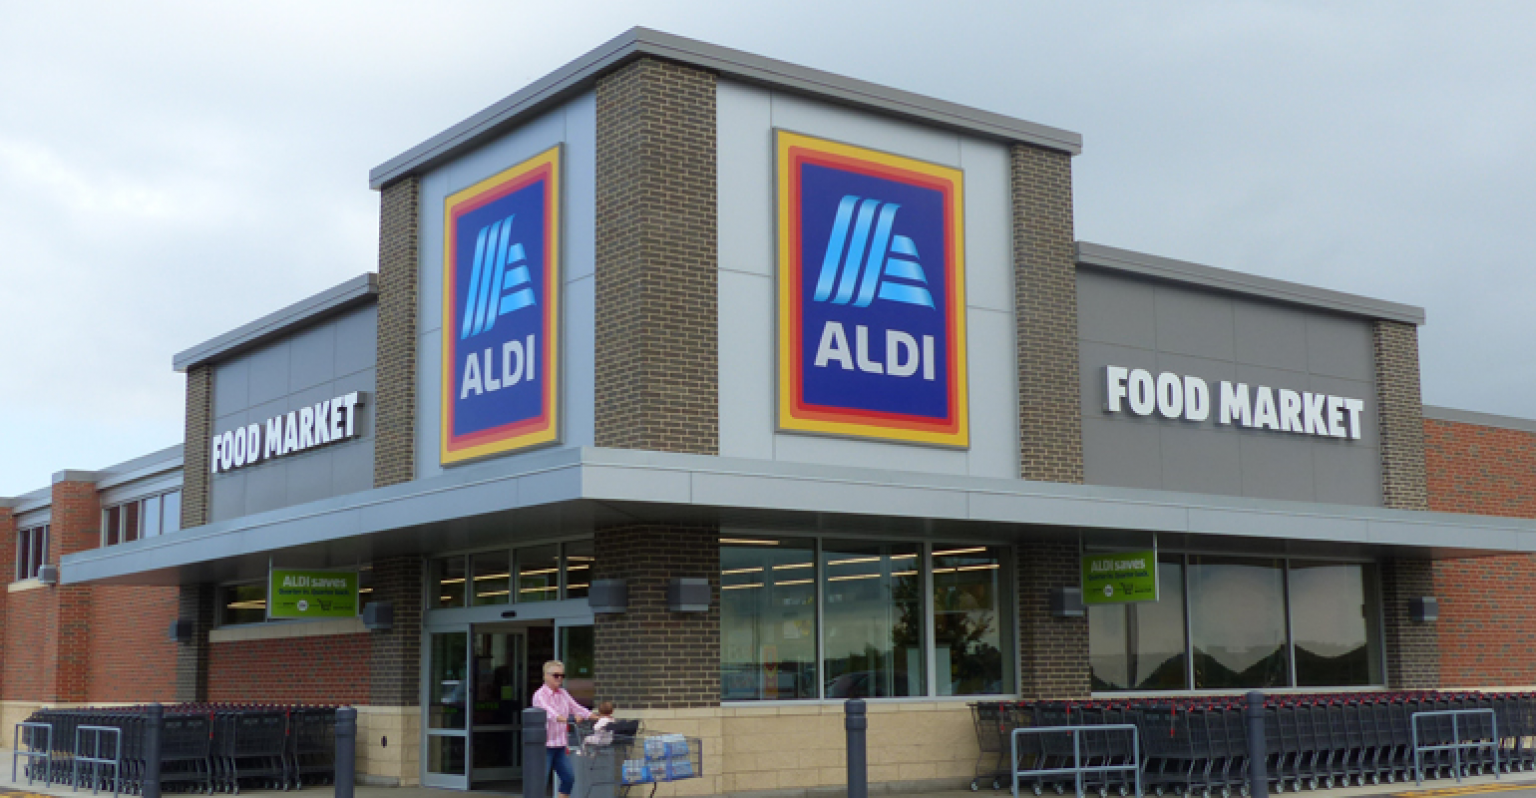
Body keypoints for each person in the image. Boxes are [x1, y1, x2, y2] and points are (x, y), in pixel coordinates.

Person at [532, 659, 591, 798]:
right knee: (540, 781)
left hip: (560, 744)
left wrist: (596, 716)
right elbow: (550, 713)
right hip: (545, 745)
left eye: (562, 676)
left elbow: (576, 708)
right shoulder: (540, 695)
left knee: (568, 778)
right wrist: (569, 719)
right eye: (556, 675)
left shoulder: (563, 693)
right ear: (546, 676)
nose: (559, 678)